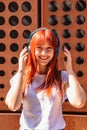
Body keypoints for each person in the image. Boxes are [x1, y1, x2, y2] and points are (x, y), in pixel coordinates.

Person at [5, 28, 86, 130]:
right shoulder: (22, 77)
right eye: (39, 48)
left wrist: (70, 71)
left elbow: (78, 102)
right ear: (31, 49)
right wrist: (21, 70)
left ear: (55, 51)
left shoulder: (62, 77)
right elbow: (13, 106)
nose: (44, 53)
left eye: (49, 48)